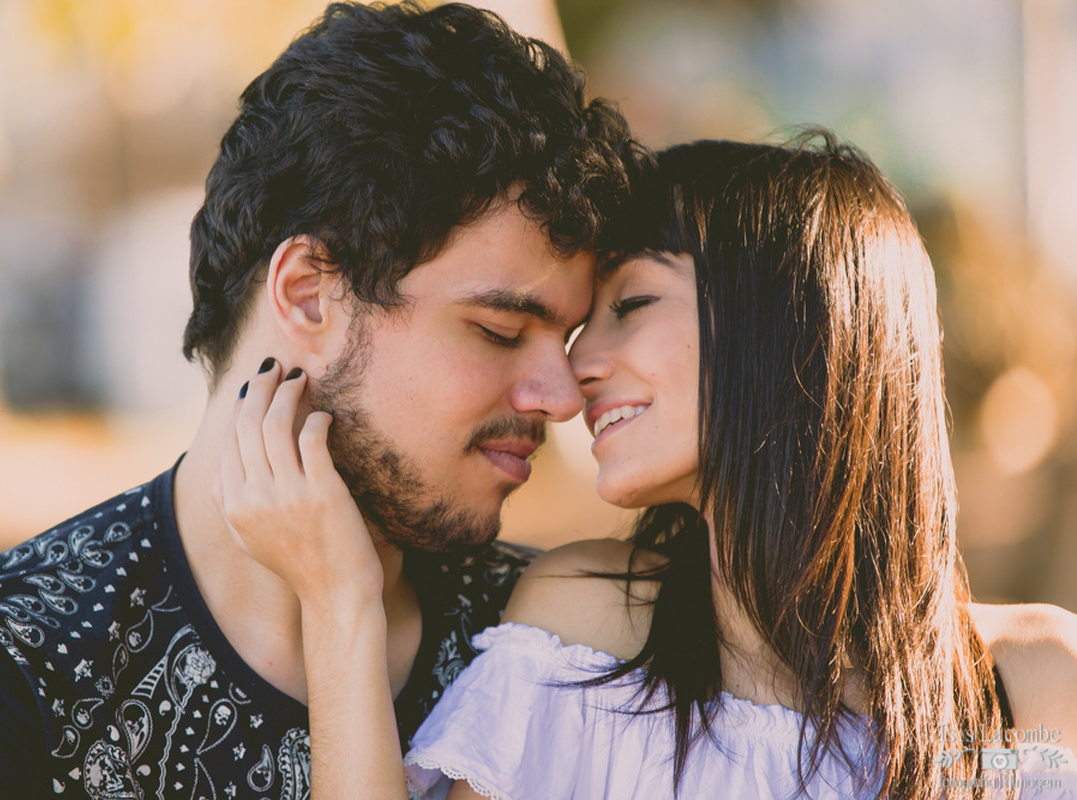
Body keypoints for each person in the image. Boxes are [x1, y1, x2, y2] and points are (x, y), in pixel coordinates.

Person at [0, 3, 633, 798]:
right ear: (309, 296)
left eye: (567, 336)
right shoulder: (3, 655)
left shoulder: (550, 644)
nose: (559, 398)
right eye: (499, 328)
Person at [217, 133, 1077, 799]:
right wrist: (338, 599)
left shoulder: (1036, 689)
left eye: (630, 304)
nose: (575, 369)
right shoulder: (586, 638)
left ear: (788, 329)